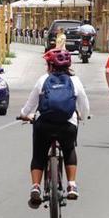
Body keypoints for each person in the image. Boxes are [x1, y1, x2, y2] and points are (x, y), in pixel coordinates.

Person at [20, 49, 90, 206]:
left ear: (49, 65)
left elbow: (29, 105)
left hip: (44, 124)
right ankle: (71, 185)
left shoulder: (43, 80)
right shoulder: (75, 81)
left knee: (38, 154)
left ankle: (36, 187)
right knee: (69, 149)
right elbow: (84, 104)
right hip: (67, 125)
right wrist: (83, 117)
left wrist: (24, 114)